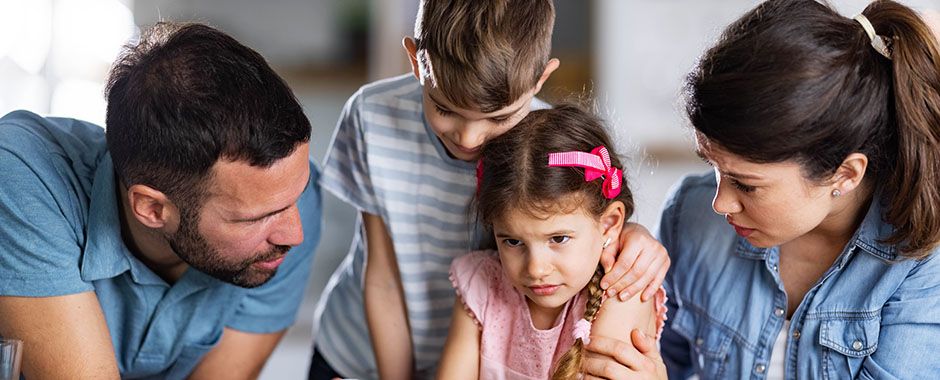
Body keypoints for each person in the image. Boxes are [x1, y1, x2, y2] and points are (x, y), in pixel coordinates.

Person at [310, 1, 670, 379]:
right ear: (417, 62)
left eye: (498, 117)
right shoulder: (371, 116)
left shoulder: (549, 144)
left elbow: (588, 220)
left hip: (487, 355)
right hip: (357, 351)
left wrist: (634, 235)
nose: (469, 138)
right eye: (445, 108)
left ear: (539, 81)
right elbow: (382, 277)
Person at [583, 0, 940, 379]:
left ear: (845, 175)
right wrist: (616, 246)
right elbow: (660, 358)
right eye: (714, 168)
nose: (719, 203)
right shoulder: (689, 213)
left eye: (747, 185)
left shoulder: (922, 265)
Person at [0, 22, 322, 379]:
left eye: (297, 195)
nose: (295, 235)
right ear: (153, 209)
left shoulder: (284, 198)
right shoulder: (23, 171)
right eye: (254, 219)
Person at [435, 105, 669, 380]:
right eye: (512, 241)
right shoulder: (481, 286)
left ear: (609, 224)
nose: (536, 269)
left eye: (558, 239)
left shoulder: (624, 291)